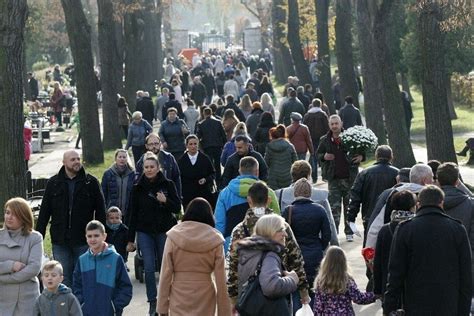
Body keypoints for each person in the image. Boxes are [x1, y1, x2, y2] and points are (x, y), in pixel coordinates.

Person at [383, 185, 472, 315]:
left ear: (419, 204)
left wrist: (389, 307)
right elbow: (466, 275)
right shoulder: (457, 229)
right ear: (441, 203)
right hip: (449, 304)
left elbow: (396, 273)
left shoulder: (405, 229)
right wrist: (463, 310)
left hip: (416, 304)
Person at [227, 182, 309, 311]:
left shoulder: (238, 230)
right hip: (279, 296)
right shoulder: (282, 227)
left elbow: (233, 267)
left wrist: (233, 299)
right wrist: (303, 291)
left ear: (249, 200)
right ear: (269, 200)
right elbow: (296, 259)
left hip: (248, 299)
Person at [36, 150, 106, 286]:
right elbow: (44, 212)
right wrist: (39, 238)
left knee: (83, 278)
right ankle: (66, 306)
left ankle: (81, 306)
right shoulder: (53, 183)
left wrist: (100, 237)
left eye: (78, 159)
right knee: (63, 278)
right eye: (72, 160)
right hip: (60, 240)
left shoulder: (90, 182)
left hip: (83, 240)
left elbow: (101, 211)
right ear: (64, 163)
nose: (76, 162)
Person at [127, 152, 181, 314]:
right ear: (142, 169)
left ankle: (166, 300)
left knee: (166, 267)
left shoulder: (168, 184)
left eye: (152, 167)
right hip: (144, 232)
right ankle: (153, 301)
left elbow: (177, 208)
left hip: (164, 230)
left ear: (158, 168)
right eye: (146, 167)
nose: (149, 170)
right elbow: (132, 214)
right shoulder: (137, 188)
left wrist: (165, 201)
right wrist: (130, 240)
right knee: (149, 268)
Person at [157, 198, 231, 315]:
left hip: (179, 293)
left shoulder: (173, 236)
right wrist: (225, 311)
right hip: (205, 294)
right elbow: (221, 280)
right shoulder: (216, 240)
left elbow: (165, 274)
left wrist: (162, 307)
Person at [282, 178, 331, 312]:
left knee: (297, 291)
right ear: (310, 193)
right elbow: (327, 234)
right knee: (315, 289)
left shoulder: (288, 211)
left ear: (295, 193)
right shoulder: (319, 210)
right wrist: (319, 246)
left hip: (295, 258)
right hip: (315, 254)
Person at [235, 214, 299, 314]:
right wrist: (292, 279)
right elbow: (271, 287)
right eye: (281, 229)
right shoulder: (269, 255)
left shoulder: (250, 252)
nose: (285, 234)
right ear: (270, 231)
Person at [216, 157, 280, 252]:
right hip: (263, 244)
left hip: (233, 244)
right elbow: (277, 219)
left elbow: (219, 223)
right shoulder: (268, 193)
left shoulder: (225, 193)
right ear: (257, 172)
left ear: (239, 171)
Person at [365, 163, 434, 249]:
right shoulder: (430, 197)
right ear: (425, 180)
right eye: (432, 178)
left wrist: (369, 251)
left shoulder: (393, 194)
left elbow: (376, 227)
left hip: (391, 247)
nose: (433, 181)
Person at [317, 115, 363, 241]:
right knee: (333, 208)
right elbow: (318, 154)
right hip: (333, 180)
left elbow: (362, 152)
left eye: (336, 123)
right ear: (329, 125)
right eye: (332, 124)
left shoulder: (351, 138)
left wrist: (361, 158)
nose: (334, 126)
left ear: (341, 123)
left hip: (349, 178)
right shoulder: (324, 140)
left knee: (349, 207)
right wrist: (324, 157)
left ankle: (349, 232)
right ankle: (334, 233)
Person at [73, 220, 132, 316]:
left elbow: (125, 286)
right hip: (88, 311)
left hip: (109, 312)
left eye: (96, 236)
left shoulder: (115, 258)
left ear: (104, 236)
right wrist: (82, 303)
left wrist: (115, 306)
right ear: (86, 238)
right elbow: (77, 285)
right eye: (89, 236)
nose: (93, 239)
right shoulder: (82, 260)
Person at [275, 160, 338, 246]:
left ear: (292, 175)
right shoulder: (322, 195)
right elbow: (330, 223)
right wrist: (334, 245)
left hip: (290, 245)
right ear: (309, 175)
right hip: (316, 245)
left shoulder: (280, 194)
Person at [347, 145, 399, 242]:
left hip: (370, 216)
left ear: (376, 156)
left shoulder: (365, 173)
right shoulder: (397, 173)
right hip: (391, 216)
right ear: (391, 156)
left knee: (369, 247)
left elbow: (355, 197)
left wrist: (351, 217)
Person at [0, 197, 43, 315]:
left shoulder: (35, 238)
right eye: (7, 212)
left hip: (27, 299)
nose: (9, 217)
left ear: (24, 216)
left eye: (14, 214)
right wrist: (11, 266)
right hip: (2, 299)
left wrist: (4, 278)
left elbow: (34, 268)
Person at [436, 162, 474, 293]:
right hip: (466, 262)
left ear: (438, 181)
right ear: (457, 180)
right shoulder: (470, 204)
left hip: (436, 263)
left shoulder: (427, 203)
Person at [373, 190, 416, 299]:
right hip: (412, 287)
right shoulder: (417, 228)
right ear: (413, 206)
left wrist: (377, 289)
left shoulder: (385, 230)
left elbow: (377, 262)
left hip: (389, 285)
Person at [313, 246, 376, 315]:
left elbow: (318, 306)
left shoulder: (321, 280)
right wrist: (375, 295)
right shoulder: (347, 279)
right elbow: (358, 298)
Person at [134, 133, 182, 197]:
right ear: (146, 146)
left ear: (160, 144)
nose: (154, 146)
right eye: (151, 144)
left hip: (167, 196)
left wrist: (178, 197)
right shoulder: (142, 161)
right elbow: (137, 181)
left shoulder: (169, 158)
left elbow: (176, 178)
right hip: (148, 196)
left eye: (156, 143)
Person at [178, 135, 216, 209]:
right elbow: (178, 177)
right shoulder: (181, 161)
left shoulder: (205, 158)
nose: (193, 146)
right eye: (191, 144)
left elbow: (213, 174)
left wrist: (205, 179)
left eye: (195, 144)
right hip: (188, 195)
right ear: (186, 145)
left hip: (204, 194)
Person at [196, 107, 227, 185]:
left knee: (209, 165)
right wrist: (223, 145)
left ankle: (210, 182)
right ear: (211, 113)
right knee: (217, 165)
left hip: (207, 147)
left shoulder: (201, 124)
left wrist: (200, 147)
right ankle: (218, 181)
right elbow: (223, 135)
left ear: (204, 114)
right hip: (217, 146)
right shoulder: (218, 122)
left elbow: (198, 137)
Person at [101, 149, 135, 218]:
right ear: (116, 159)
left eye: (124, 157)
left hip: (128, 212)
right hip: (112, 212)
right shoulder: (108, 173)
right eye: (120, 157)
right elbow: (103, 192)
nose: (122, 159)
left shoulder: (132, 174)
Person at [303, 98, 329, 183]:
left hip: (310, 139)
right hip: (321, 139)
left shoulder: (307, 115)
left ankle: (314, 176)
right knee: (322, 156)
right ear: (320, 105)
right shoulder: (323, 115)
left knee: (313, 156)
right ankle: (324, 175)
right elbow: (327, 128)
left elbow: (304, 127)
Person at [265, 124, 297, 190]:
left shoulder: (269, 147)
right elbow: (295, 162)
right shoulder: (290, 146)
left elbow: (266, 162)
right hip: (288, 176)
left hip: (273, 178)